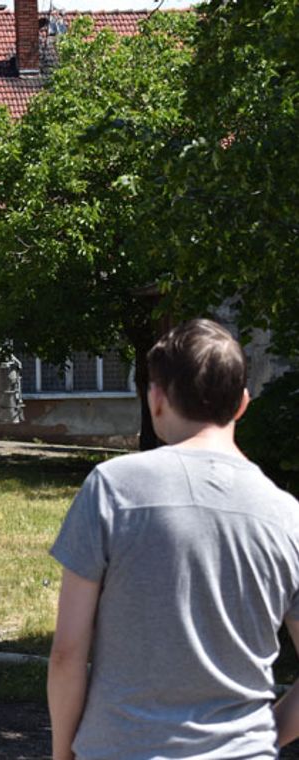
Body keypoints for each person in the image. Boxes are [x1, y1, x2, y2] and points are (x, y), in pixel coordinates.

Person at [48, 318, 299, 760]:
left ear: (157, 398)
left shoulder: (113, 487)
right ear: (242, 403)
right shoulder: (287, 515)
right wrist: (258, 739)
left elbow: (68, 653)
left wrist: (62, 754)